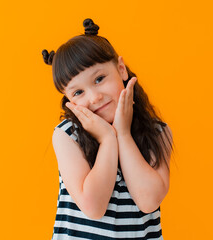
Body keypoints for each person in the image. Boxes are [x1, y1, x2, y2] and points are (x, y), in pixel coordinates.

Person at [42, 18, 174, 240]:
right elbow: (93, 207)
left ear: (121, 69)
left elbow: (149, 200)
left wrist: (122, 134)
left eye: (99, 79)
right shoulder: (67, 135)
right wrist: (107, 139)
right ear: (68, 101)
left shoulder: (157, 132)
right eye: (78, 93)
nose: (94, 98)